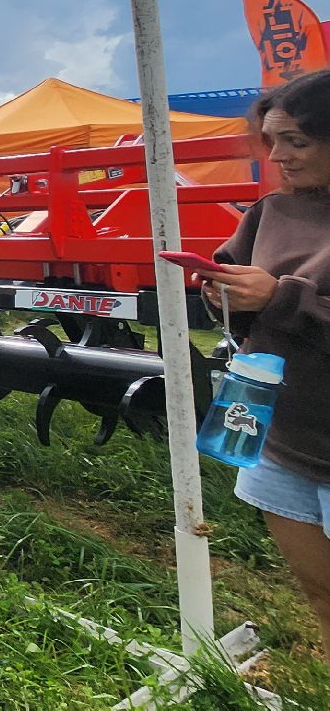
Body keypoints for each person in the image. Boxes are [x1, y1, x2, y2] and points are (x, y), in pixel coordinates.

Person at [206, 69, 330, 651]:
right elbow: (249, 316)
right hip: (282, 440)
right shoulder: (270, 213)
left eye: (297, 142)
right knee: (321, 594)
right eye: (271, 139)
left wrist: (280, 297)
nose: (278, 155)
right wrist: (225, 293)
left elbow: (282, 302)